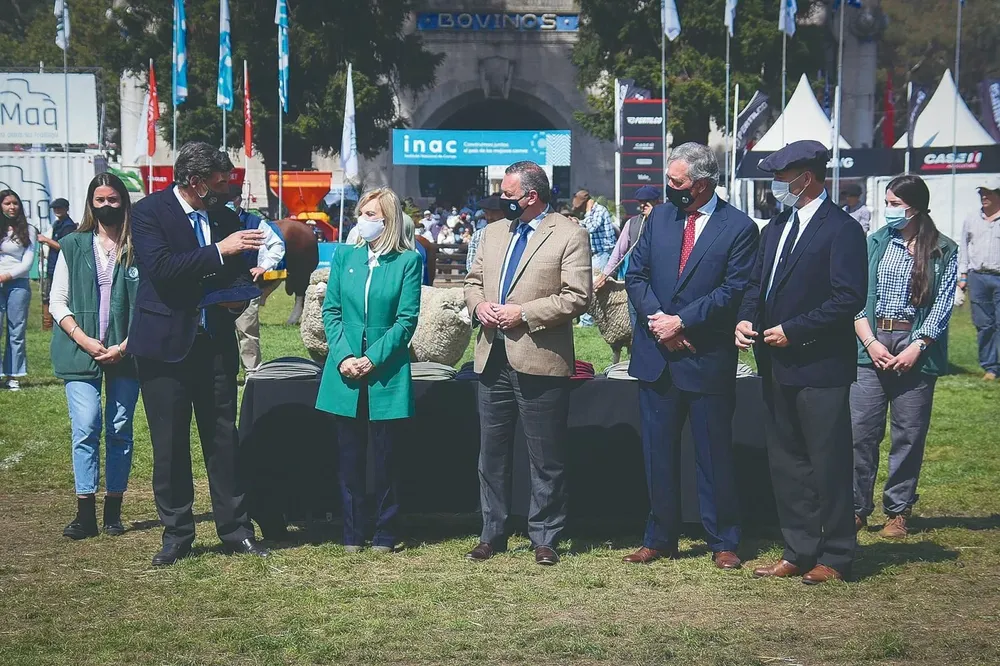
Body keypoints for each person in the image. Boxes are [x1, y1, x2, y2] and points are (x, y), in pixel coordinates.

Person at [129, 142, 268, 566]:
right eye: (221, 180)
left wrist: (242, 294)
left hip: (215, 346)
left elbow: (240, 274)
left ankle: (235, 529)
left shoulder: (224, 216)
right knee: (170, 445)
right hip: (164, 347)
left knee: (223, 439)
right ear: (196, 183)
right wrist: (218, 251)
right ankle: (177, 534)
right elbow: (164, 270)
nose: (228, 186)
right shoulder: (149, 212)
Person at [735, 140, 868, 584]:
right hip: (775, 363)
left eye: (779, 178)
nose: (775, 186)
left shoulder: (842, 229)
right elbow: (756, 284)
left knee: (827, 462)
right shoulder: (775, 226)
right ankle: (798, 548)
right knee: (787, 462)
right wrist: (744, 319)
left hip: (820, 365)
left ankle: (837, 554)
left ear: (804, 178)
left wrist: (796, 329)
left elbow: (848, 298)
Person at [623, 144, 759, 569]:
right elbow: (637, 274)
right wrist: (660, 322)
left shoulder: (738, 227)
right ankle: (659, 536)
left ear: (700, 184)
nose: (669, 187)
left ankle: (723, 541)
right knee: (656, 453)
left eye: (676, 182)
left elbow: (732, 290)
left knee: (713, 454)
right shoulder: (659, 217)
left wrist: (681, 322)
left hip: (705, 355)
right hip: (657, 355)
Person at [464, 161, 591, 566]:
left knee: (546, 456)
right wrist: (479, 304)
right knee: (491, 455)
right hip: (491, 358)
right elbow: (471, 281)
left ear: (531, 197)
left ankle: (545, 537)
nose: (503, 201)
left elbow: (577, 296)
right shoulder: (492, 233)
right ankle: (492, 533)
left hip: (540, 358)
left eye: (509, 195)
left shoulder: (569, 234)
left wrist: (525, 313)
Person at [315, 187, 422, 552]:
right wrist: (344, 355)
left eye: (371, 214)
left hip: (385, 372)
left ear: (388, 221)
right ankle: (352, 533)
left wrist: (371, 359)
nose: (363, 219)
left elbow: (406, 320)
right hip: (343, 372)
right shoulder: (345, 255)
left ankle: (386, 532)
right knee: (349, 457)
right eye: (361, 212)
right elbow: (331, 312)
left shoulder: (408, 262)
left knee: (386, 457)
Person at [852, 175, 957, 539]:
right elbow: (857, 295)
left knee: (909, 433)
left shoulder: (943, 248)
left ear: (914, 206)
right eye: (888, 202)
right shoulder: (875, 242)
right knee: (860, 431)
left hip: (916, 344)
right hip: (873, 341)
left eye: (895, 203)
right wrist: (869, 342)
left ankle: (898, 510)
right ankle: (856, 507)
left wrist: (918, 345)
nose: (889, 209)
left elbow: (943, 302)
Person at [49, 174, 140, 539]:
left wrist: (125, 345)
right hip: (80, 350)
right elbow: (57, 300)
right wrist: (83, 339)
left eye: (113, 199)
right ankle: (84, 513)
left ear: (124, 202)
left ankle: (113, 511)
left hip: (127, 352)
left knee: (119, 429)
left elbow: (150, 304)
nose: (106, 206)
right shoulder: (72, 244)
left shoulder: (140, 246)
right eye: (99, 200)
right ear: (90, 203)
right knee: (86, 425)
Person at [229, 192, 286, 377]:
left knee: (247, 332)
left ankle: (252, 374)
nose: (230, 202)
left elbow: (277, 245)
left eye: (233, 198)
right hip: (216, 286)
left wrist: (264, 266)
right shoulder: (210, 217)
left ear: (240, 198)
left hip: (246, 285)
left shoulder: (255, 222)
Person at [595, 186, 659, 328]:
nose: (642, 205)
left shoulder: (665, 222)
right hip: (637, 279)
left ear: (656, 201)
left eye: (647, 201)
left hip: (658, 281)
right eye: (640, 202)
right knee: (635, 321)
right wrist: (605, 275)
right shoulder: (632, 223)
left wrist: (655, 217)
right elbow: (619, 251)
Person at [958, 175, 1000, 380]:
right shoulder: (971, 218)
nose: (984, 196)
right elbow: (963, 248)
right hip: (978, 277)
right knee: (984, 325)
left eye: (988, 193)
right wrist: (963, 275)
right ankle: (990, 367)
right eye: (981, 193)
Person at [0, 189, 36, 391]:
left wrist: (5, 276)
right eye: (7, 203)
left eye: (15, 203)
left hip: (18, 284)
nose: (12, 207)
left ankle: (14, 375)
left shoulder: (29, 230)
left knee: (16, 330)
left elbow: (27, 263)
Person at [572, 189, 617, 326]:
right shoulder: (591, 213)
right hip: (596, 254)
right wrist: (576, 221)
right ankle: (593, 319)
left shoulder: (599, 210)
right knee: (591, 286)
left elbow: (591, 227)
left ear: (588, 202)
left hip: (603, 253)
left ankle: (587, 321)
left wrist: (583, 217)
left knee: (594, 287)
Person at [37, 198, 78, 327]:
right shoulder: (57, 224)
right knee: (47, 294)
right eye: (55, 208)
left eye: (60, 208)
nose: (57, 211)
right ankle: (47, 323)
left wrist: (46, 240)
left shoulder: (68, 226)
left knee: (56, 296)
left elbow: (63, 246)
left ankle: (51, 323)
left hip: (60, 266)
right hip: (52, 264)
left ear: (67, 209)